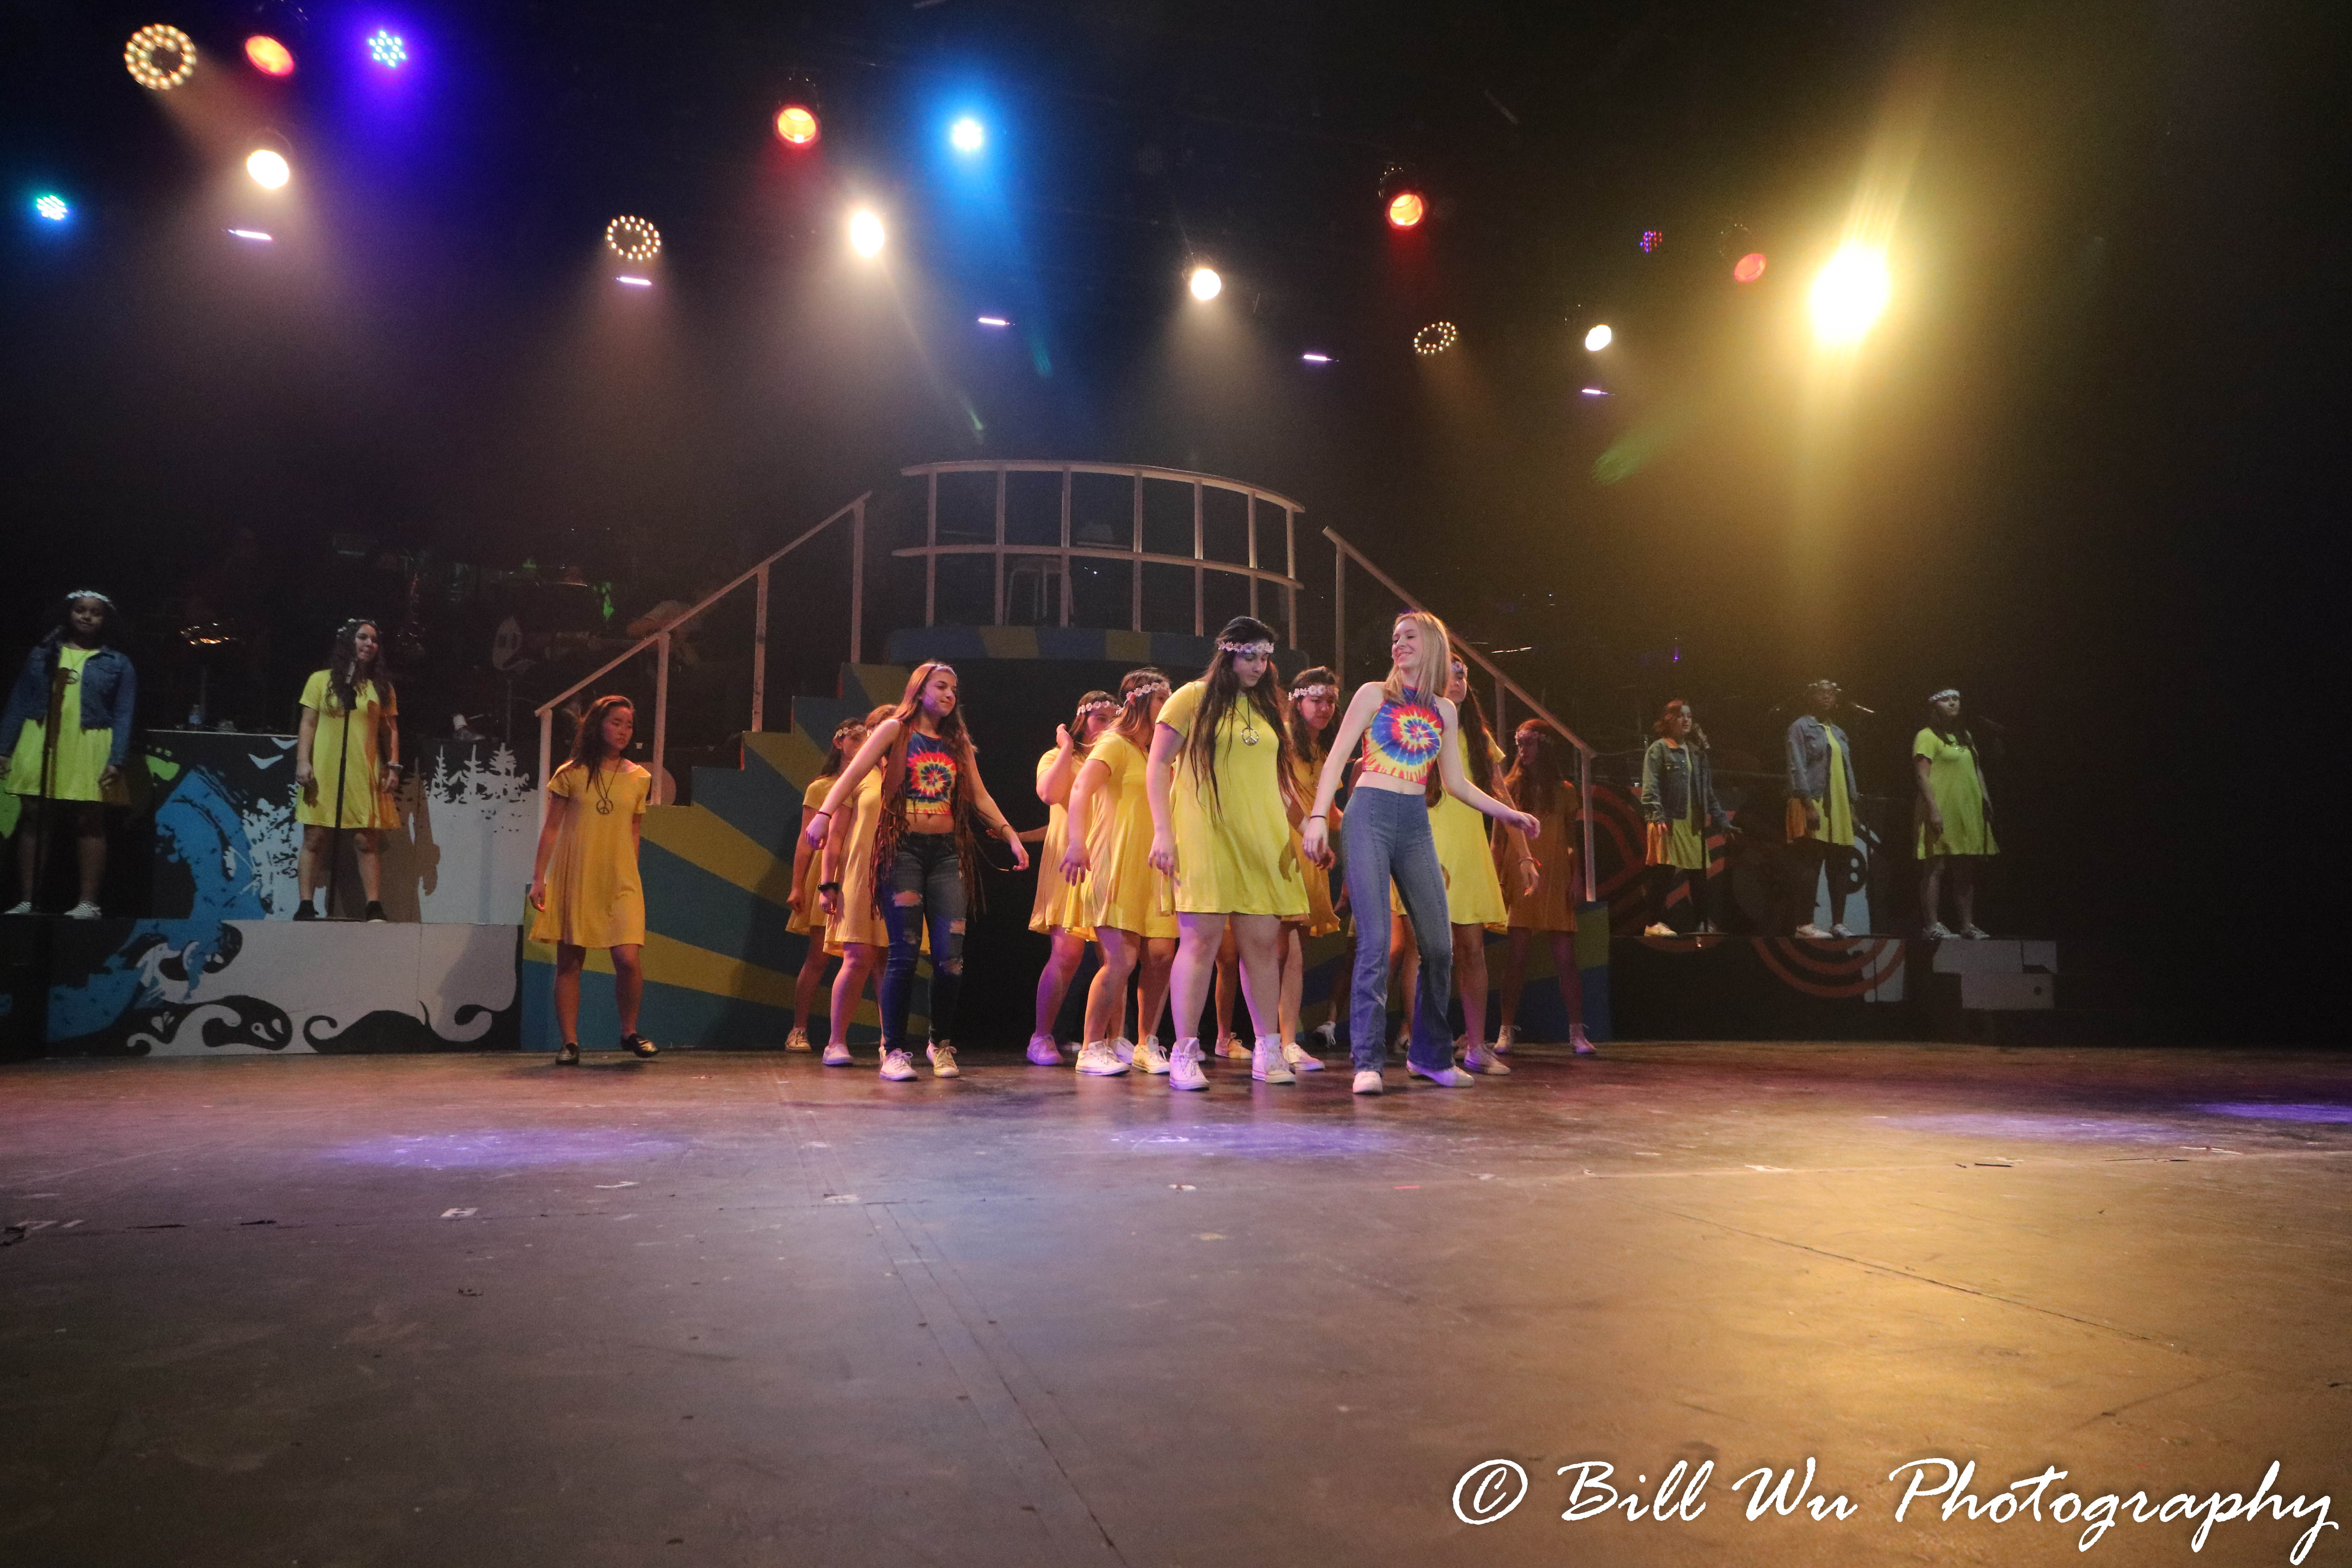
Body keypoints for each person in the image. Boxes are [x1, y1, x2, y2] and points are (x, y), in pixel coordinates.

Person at [1302, 612, 1541, 1095]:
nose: (1399, 643)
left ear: (1432, 643)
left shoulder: (1445, 710)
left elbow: (1457, 783)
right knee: (1375, 943)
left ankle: (1430, 1056)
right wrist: (1318, 816)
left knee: (1438, 945)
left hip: (1414, 822)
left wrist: (1509, 814)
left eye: (1409, 636)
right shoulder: (1374, 695)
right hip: (1370, 813)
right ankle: (1368, 1061)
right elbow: (1336, 758)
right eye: (1395, 638)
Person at [809, 664, 1029, 1082]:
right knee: (903, 954)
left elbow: (979, 795)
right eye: (941, 686)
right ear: (919, 689)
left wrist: (1010, 835)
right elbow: (852, 775)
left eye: (954, 689)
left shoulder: (957, 742)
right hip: (903, 851)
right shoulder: (896, 730)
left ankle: (939, 1043)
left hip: (946, 855)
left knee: (950, 959)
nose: (949, 694)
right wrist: (823, 814)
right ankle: (893, 1050)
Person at [1146, 617, 1312, 1091]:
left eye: (1265, 657)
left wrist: (1308, 828)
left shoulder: (1268, 707)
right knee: (1200, 944)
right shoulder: (1191, 698)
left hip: (1262, 838)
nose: (1259, 666)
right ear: (1229, 653)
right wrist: (1163, 832)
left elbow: (1278, 783)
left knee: (1262, 946)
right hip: (1205, 834)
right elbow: (1158, 764)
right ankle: (1184, 1052)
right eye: (1250, 656)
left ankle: (1268, 1047)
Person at [1391, 654, 1531, 1075]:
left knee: (1472, 950)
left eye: (1463, 674)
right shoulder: (1414, 725)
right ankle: (1423, 1048)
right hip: (1424, 843)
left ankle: (1476, 1046)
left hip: (1468, 850)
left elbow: (1501, 793)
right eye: (1449, 674)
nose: (1457, 681)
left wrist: (1524, 853)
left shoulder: (1478, 734)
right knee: (1422, 950)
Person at [528, 695, 657, 1064]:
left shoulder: (640, 778)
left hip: (620, 879)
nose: (623, 731)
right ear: (598, 725)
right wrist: (539, 878)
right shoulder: (571, 773)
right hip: (577, 872)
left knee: (628, 959)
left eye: (629, 725)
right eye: (616, 723)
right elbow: (552, 828)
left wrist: (631, 871)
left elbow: (634, 830)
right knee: (570, 961)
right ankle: (570, 1042)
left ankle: (629, 1031)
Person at [1061, 668, 1178, 1075]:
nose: (1168, 705)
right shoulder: (1115, 743)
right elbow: (1080, 789)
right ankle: (1092, 1047)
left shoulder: (1160, 755)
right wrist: (1077, 842)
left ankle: (1146, 1044)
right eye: (1162, 698)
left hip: (1155, 867)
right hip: (1116, 862)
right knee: (1122, 960)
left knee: (1161, 956)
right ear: (1140, 701)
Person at [2, 591, 136, 918]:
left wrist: (117, 759)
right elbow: (20, 699)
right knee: (35, 817)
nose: (87, 617)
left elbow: (124, 713)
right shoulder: (43, 654)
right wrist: (4, 748)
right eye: (80, 610)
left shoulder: (117, 662)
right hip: (41, 736)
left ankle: (88, 903)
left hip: (89, 741)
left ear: (105, 620)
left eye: (95, 613)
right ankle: (28, 900)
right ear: (69, 614)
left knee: (89, 818)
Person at [1494, 719, 1596, 1056]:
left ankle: (1577, 1031)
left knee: (1566, 958)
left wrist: (1577, 876)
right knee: (1517, 957)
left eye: (1529, 744)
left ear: (1545, 746)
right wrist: (1497, 878)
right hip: (1520, 874)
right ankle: (1505, 1030)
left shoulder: (1565, 790)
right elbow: (1498, 840)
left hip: (1555, 873)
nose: (1522, 751)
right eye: (1520, 744)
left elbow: (1571, 839)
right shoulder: (1509, 788)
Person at [1027, 691, 1117, 1066]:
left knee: (1116, 957)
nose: (1107, 726)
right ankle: (1041, 1036)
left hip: (1109, 862)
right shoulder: (1057, 756)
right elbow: (1049, 794)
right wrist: (1066, 747)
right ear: (1082, 721)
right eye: (1100, 718)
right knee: (1067, 954)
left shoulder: (1116, 759)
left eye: (1113, 719)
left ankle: (1110, 1040)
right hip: (1070, 864)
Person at [294, 619, 402, 922]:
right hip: (325, 768)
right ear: (347, 641)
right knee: (315, 837)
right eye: (363, 638)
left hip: (362, 768)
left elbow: (391, 730)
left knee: (365, 839)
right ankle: (306, 904)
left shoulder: (381, 687)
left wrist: (393, 765)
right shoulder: (320, 680)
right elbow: (309, 723)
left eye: (375, 640)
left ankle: (374, 905)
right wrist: (303, 760)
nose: (370, 644)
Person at [813, 705, 897, 1067]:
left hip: (900, 875)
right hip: (861, 875)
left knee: (891, 962)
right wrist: (827, 884)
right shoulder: (859, 775)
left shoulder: (909, 773)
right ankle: (836, 1042)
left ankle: (890, 1042)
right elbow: (835, 837)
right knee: (859, 957)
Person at [784, 715, 869, 1052]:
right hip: (828, 872)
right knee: (818, 956)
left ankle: (883, 1039)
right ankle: (799, 1029)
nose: (861, 745)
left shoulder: (874, 783)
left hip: (862, 870)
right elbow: (806, 840)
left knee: (869, 957)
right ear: (839, 742)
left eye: (867, 740)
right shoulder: (822, 787)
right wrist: (797, 885)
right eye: (855, 739)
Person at [1276, 666, 1344, 1067]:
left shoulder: (1324, 752)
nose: (1325, 708)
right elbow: (1282, 795)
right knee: (1280, 950)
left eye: (1331, 701)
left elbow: (1331, 812)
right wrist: (1309, 833)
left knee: (1295, 951)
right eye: (1317, 700)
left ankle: (1286, 1041)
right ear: (1298, 701)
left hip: (1311, 851)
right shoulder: (1282, 740)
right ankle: (1276, 1039)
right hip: (1283, 845)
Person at [1638, 699, 1730, 937]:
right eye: (1681, 716)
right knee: (1664, 871)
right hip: (1669, 819)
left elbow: (1707, 792)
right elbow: (1650, 787)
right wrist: (1657, 815)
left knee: (1698, 873)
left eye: (1689, 716)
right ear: (1669, 720)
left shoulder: (1697, 753)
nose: (1687, 720)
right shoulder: (1659, 749)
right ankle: (1653, 923)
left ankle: (1702, 923)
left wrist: (1722, 820)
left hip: (1693, 821)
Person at [1913, 688, 1998, 939]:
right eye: (1946, 699)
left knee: (1964, 869)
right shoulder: (1927, 736)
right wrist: (1933, 809)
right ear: (1934, 705)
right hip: (1941, 808)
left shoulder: (1965, 736)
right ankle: (1932, 925)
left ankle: (1967, 925)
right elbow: (1922, 776)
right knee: (1936, 866)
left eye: (1956, 699)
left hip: (1967, 809)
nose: (1952, 703)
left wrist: (1985, 799)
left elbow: (1977, 769)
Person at [1784, 679, 1861, 938]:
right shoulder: (1800, 727)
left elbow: (1848, 771)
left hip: (1839, 803)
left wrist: (1852, 807)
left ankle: (1838, 923)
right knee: (1811, 862)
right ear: (1811, 697)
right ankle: (1804, 924)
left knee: (1840, 863)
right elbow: (1796, 766)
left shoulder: (1838, 731)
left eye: (1832, 694)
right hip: (1813, 800)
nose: (1828, 697)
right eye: (1822, 693)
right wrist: (1808, 805)